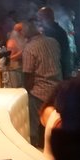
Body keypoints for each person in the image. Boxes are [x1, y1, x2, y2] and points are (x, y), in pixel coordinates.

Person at [20, 20, 61, 149]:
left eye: (23, 30)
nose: (21, 33)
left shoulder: (29, 48)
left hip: (38, 92)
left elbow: (28, 75)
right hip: (56, 90)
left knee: (34, 129)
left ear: (28, 31)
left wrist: (25, 92)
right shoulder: (53, 42)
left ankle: (35, 152)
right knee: (53, 124)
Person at [36, 6, 71, 79]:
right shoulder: (48, 30)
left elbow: (60, 53)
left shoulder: (57, 32)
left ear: (48, 17)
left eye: (41, 18)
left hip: (56, 71)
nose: (39, 21)